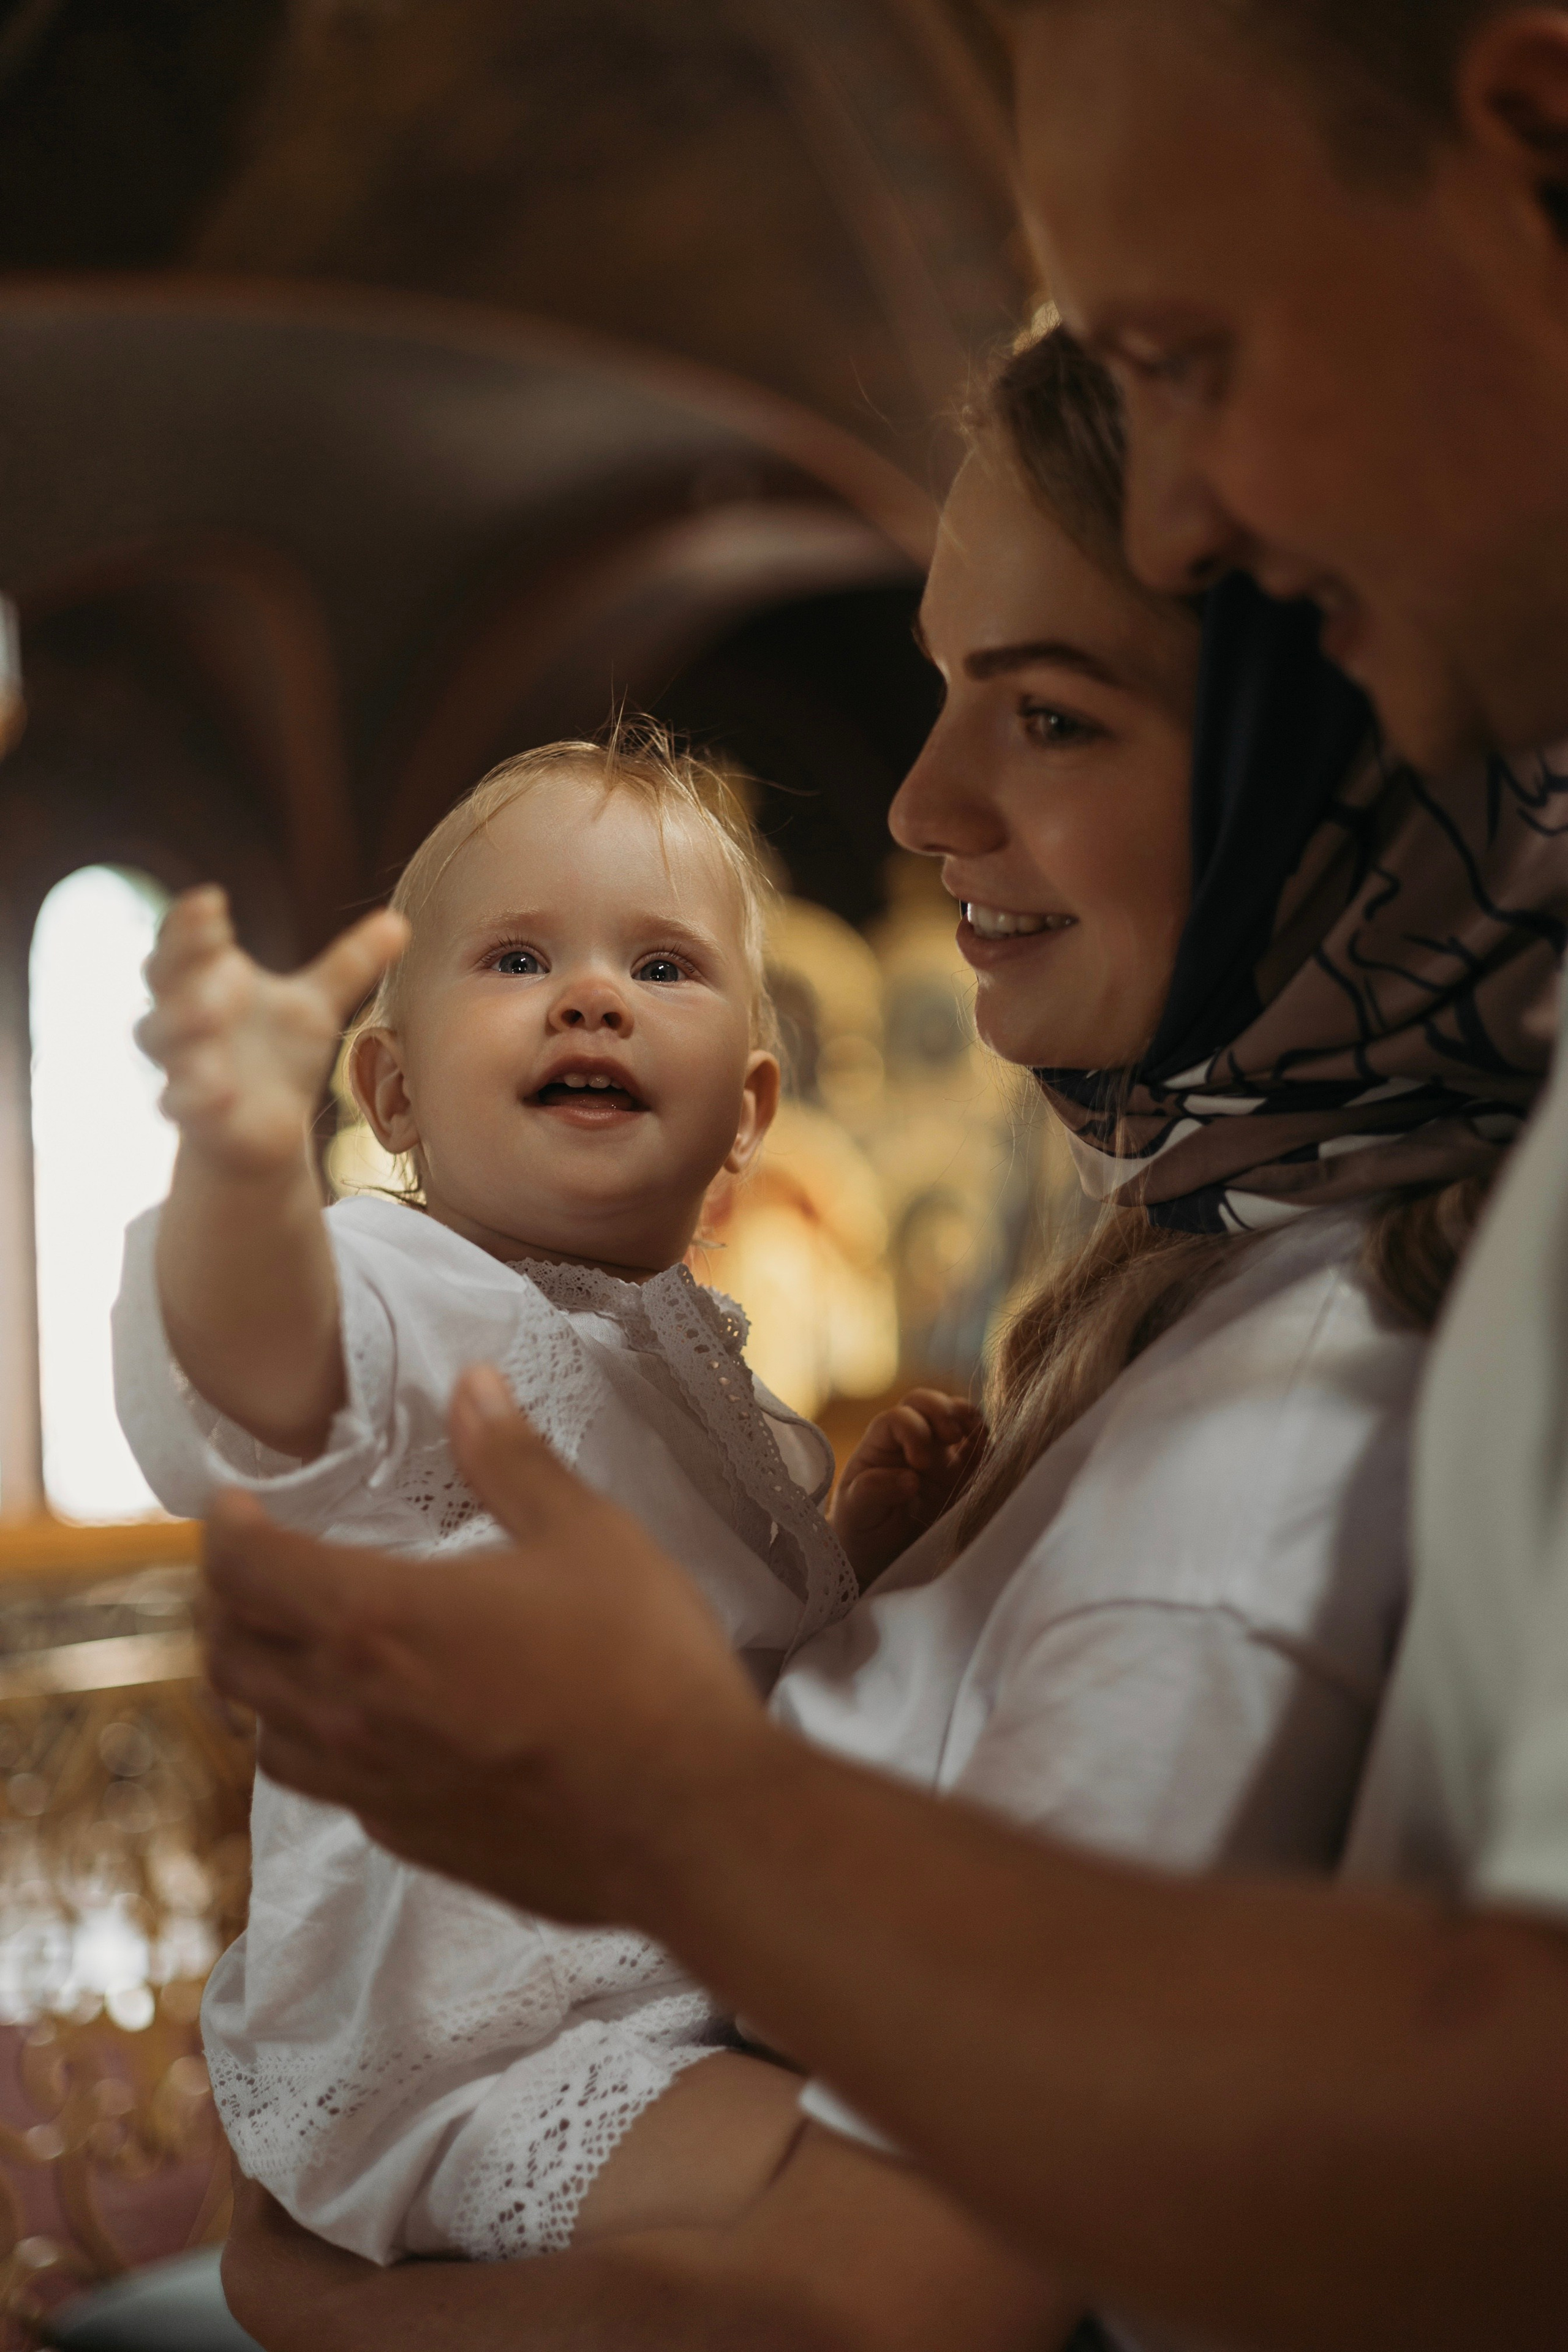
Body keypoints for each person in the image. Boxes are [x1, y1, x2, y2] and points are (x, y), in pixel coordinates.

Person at [208, 320, 1568, 2352]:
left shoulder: (1256, 1452)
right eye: (945, 693)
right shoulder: (1230, 1284)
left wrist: (288, 2288)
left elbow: (883, 2306)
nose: (924, 804)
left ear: (1331, 775)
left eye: (1059, 719)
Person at [115, 728, 992, 2267]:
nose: (590, 996)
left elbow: (726, 1676)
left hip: (670, 2003)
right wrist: (240, 1175)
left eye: (662, 970)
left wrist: (846, 1555)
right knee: (892, 2195)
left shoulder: (729, 1395)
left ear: (747, 1108)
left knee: (916, 2151)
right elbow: (256, 1379)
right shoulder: (410, 1291)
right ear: (387, 1091)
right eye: (517, 958)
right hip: (472, 2054)